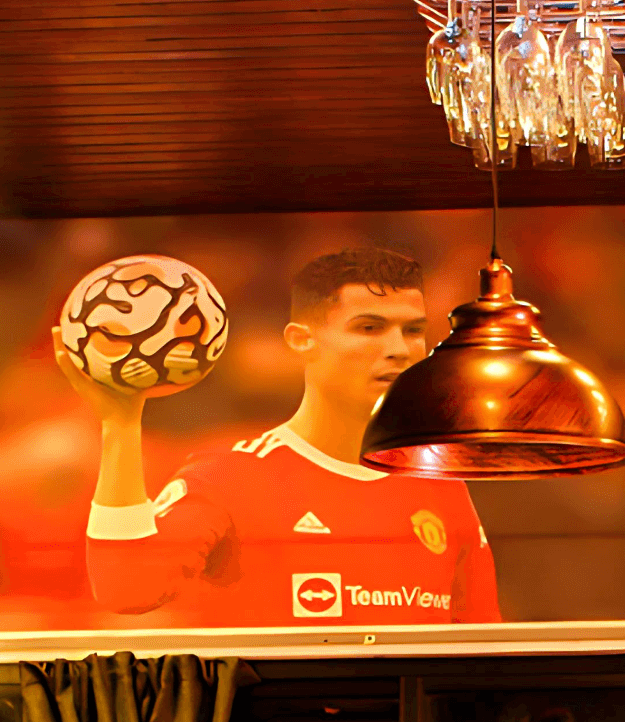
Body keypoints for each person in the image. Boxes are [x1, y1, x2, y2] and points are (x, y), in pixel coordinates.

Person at [54, 247, 502, 627]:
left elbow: (484, 651)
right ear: (301, 340)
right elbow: (126, 590)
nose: (399, 350)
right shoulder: (229, 477)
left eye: (413, 331)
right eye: (369, 328)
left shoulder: (442, 487)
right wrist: (119, 425)